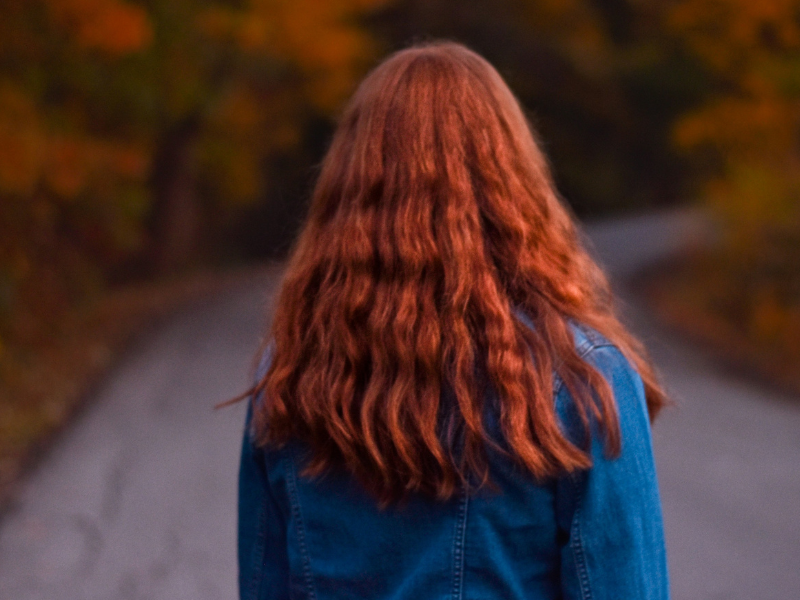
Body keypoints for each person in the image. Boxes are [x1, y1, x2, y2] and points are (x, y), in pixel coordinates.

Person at [235, 41, 670, 600]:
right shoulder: (585, 382)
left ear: (348, 193)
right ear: (514, 184)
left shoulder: (289, 379)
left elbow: (263, 586)